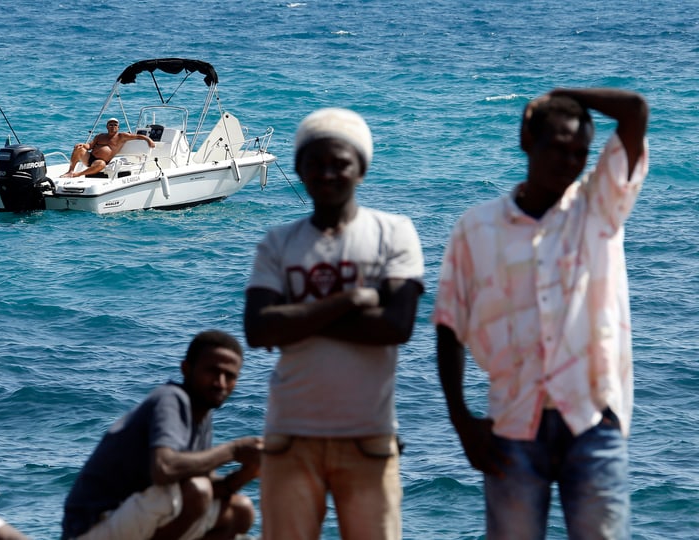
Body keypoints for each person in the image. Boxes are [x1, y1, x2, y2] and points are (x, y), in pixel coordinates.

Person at [434, 88, 649, 539]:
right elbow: (449, 325)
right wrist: (462, 422)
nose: (570, 162)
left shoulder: (599, 209)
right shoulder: (477, 228)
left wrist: (559, 95)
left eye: (580, 154)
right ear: (526, 140)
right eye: (557, 147)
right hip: (512, 423)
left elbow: (634, 111)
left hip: (592, 419)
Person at [244, 107, 425, 540]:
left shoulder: (394, 233)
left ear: (361, 168)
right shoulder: (278, 243)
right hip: (289, 434)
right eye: (315, 163)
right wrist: (352, 300)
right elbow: (258, 331)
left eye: (339, 163)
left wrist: (298, 319)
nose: (327, 173)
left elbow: (398, 325)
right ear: (298, 170)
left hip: (369, 435)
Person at [61, 330, 262, 540]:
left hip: (133, 517)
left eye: (230, 376)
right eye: (212, 371)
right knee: (198, 492)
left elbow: (198, 486)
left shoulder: (202, 416)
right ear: (186, 368)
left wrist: (246, 473)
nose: (220, 383)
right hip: (91, 526)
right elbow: (164, 468)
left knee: (241, 511)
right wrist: (234, 450)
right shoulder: (171, 399)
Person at [61, 118, 155, 178]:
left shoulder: (122, 136)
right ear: (107, 127)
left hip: (100, 161)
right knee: (78, 148)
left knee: (101, 164)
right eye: (110, 124)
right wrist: (83, 145)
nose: (112, 126)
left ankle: (78, 174)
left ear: (118, 127)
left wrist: (149, 140)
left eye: (115, 125)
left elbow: (138, 136)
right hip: (89, 158)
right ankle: (70, 171)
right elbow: (90, 146)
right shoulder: (100, 136)